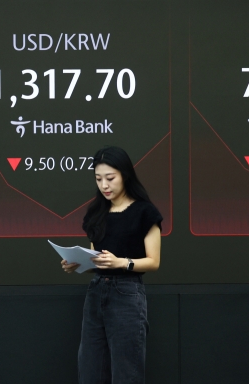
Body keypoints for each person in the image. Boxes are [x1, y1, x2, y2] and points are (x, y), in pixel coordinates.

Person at [61, 146, 162, 384]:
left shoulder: (145, 212)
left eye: (110, 178)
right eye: (98, 179)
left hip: (127, 293)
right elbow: (97, 255)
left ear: (125, 175)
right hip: (96, 292)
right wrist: (78, 262)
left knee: (127, 372)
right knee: (89, 369)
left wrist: (121, 262)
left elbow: (154, 261)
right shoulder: (97, 211)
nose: (104, 185)